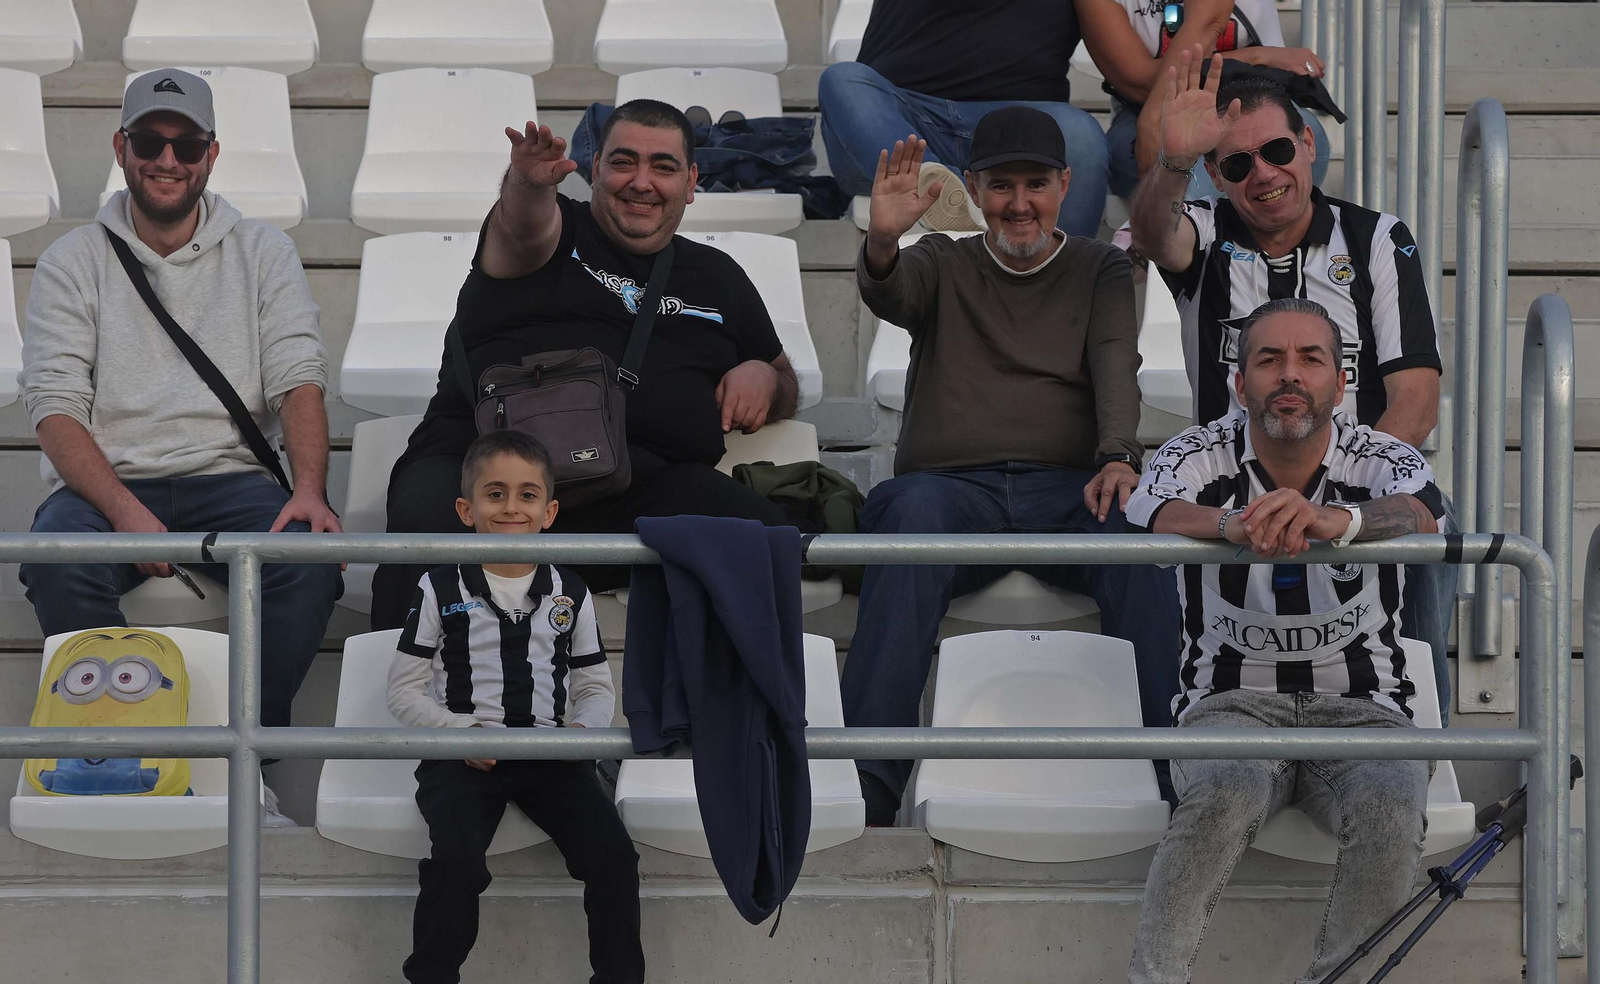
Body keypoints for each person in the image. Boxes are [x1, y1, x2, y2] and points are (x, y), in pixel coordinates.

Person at [840, 107, 1182, 825]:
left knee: (1142, 535)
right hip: (949, 491)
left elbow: (1118, 363)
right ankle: (869, 783)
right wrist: (880, 239)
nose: (1019, 204)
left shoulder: (1102, 268)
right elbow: (889, 290)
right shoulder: (939, 261)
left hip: (1069, 489)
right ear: (972, 188)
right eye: (1000, 186)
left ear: (1064, 185)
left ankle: (1179, 774)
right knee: (906, 520)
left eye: (1035, 184)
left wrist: (1120, 455)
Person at [17, 69, 341, 822]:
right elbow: (57, 409)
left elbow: (300, 377)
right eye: (151, 141)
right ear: (120, 147)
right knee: (54, 557)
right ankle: (109, 751)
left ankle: (241, 760)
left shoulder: (262, 251)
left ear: (211, 153)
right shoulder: (74, 259)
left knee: (307, 558)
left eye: (186, 142)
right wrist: (126, 510)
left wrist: (309, 490)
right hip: (110, 481)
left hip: (230, 478)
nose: (168, 159)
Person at [373, 99, 799, 629]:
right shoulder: (553, 232)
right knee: (424, 530)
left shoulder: (719, 278)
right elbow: (524, 227)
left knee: (762, 539)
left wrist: (764, 376)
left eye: (662, 167)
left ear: (691, 182)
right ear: (594, 168)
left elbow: (785, 379)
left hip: (633, 494)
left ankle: (710, 713)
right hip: (483, 474)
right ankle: (407, 701)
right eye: (623, 162)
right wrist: (529, 184)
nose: (641, 182)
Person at [1123, 297, 1442, 983]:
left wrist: (1336, 521)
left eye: (1309, 359)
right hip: (1230, 705)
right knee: (1227, 788)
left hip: (1366, 709)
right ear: (1241, 386)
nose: (1289, 375)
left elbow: (1422, 512)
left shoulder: (1380, 455)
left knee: (1392, 799)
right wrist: (1230, 525)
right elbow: (1150, 511)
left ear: (1341, 383)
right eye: (1268, 360)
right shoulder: (1199, 450)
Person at [1129, 51, 1458, 717]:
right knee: (1138, 546)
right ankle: (1177, 756)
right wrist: (1172, 162)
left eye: (1278, 149)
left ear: (1308, 145)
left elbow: (1416, 398)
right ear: (1218, 180)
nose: (1264, 174)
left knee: (1435, 534)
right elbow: (1151, 233)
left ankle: (1426, 742)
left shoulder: (1375, 239)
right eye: (1237, 164)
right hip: (1228, 490)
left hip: (1359, 480)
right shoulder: (1207, 231)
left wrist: (1336, 499)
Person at [389, 430, 642, 984]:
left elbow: (595, 684)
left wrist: (580, 733)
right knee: (455, 864)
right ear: (466, 508)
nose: (511, 507)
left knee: (614, 859)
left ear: (549, 511)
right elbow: (404, 690)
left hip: (551, 756)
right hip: (464, 757)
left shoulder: (568, 589)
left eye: (528, 495)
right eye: (495, 493)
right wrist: (461, 733)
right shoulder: (437, 585)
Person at [818, 0, 1110, 238]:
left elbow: (1127, 67)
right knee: (842, 79)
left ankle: (1063, 281)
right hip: (896, 127)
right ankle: (938, 190)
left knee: (1081, 136)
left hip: (1016, 132)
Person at [1073, 0, 1330, 199]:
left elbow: (1208, 23)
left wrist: (1153, 120)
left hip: (1255, 103)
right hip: (1140, 112)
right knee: (1184, 161)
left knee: (1294, 143)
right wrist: (1257, 56)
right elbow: (1138, 81)